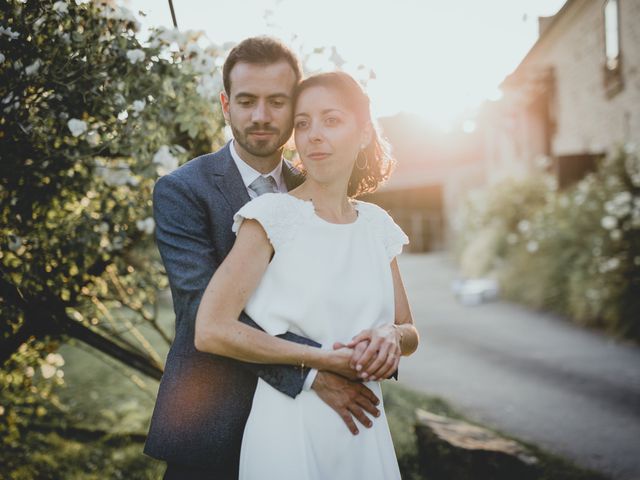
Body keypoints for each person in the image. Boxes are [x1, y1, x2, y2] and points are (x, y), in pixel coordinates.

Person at [144, 37, 393, 479]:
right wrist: (315, 370)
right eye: (246, 101)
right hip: (213, 419)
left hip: (313, 425)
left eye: (277, 101)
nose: (260, 116)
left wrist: (379, 342)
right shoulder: (183, 190)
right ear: (226, 104)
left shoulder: (321, 182)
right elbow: (204, 310)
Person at [194, 71, 420, 479]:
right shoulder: (271, 217)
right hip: (290, 426)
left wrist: (390, 336)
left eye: (331, 120)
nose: (314, 134)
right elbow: (211, 328)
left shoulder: (377, 225)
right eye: (302, 123)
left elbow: (408, 329)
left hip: (365, 430)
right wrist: (320, 361)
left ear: (364, 132)